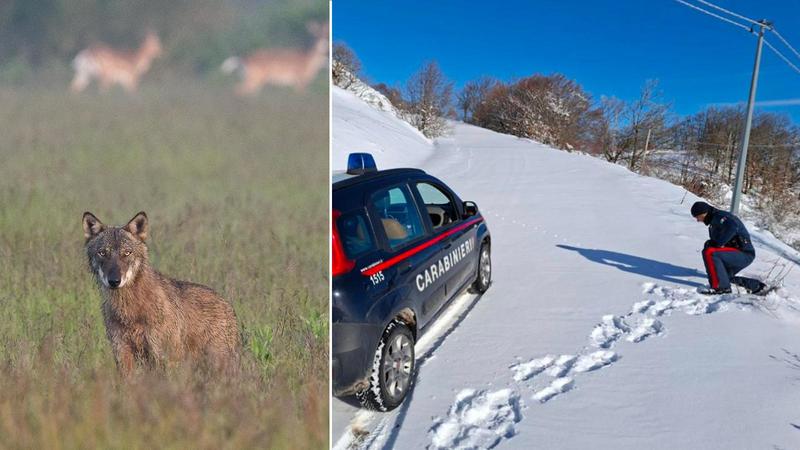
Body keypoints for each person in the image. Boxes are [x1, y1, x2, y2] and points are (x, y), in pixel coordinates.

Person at [691, 201, 768, 295]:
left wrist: (718, 244)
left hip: (744, 253)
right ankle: (757, 286)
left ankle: (721, 288)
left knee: (710, 252)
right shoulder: (713, 223)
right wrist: (713, 243)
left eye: (697, 217)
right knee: (724, 277)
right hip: (734, 254)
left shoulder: (720, 216)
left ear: (704, 213)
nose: (698, 220)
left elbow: (732, 227)